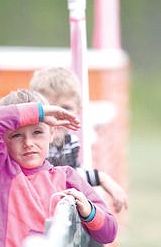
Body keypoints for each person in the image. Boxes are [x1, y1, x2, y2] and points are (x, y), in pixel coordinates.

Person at [0, 89, 118, 246]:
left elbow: (109, 231)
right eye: (16, 135)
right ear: (3, 139)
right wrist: (38, 112)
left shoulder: (66, 176)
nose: (28, 143)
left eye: (37, 132)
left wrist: (89, 211)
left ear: (52, 133)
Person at [29, 66, 128, 214]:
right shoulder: (31, 144)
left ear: (78, 110)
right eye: (50, 108)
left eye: (66, 108)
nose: (59, 115)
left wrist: (104, 180)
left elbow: (73, 176)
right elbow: (54, 178)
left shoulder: (70, 141)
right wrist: (101, 178)